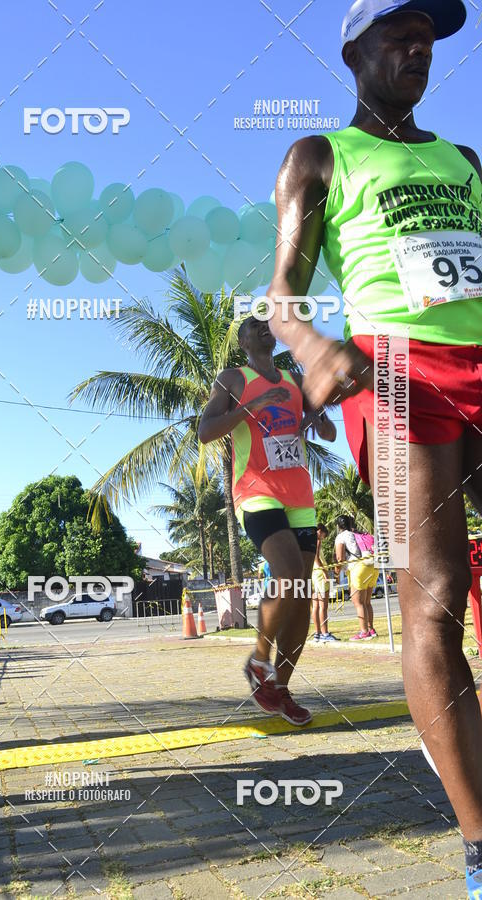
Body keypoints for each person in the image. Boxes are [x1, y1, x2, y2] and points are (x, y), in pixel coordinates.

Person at [265, 0, 482, 892]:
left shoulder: (463, 159)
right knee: (436, 598)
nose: (416, 45)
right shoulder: (319, 155)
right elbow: (284, 291)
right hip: (394, 370)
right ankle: (480, 847)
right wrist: (316, 349)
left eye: (427, 34)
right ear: (353, 48)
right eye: (397, 31)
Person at [198, 315, 336, 723]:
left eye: (267, 325)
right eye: (253, 326)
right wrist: (251, 407)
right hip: (256, 491)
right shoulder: (232, 379)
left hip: (299, 495)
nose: (264, 328)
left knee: (303, 597)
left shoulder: (294, 379)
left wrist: (316, 419)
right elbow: (205, 431)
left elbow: (327, 432)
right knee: (290, 573)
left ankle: (281, 688)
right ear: (242, 341)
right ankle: (259, 661)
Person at [334, 515, 378, 640]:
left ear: (339, 526)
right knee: (367, 602)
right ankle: (371, 629)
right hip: (372, 566)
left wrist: (337, 573)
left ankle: (364, 632)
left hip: (358, 568)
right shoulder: (357, 533)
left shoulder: (341, 536)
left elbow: (340, 558)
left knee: (358, 603)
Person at [311, 523, 338, 642]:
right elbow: (316, 558)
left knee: (316, 606)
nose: (323, 538)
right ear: (320, 531)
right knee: (323, 606)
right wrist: (325, 572)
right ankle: (325, 634)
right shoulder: (317, 541)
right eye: (323, 535)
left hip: (313, 575)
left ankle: (317, 634)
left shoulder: (309, 541)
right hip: (319, 575)